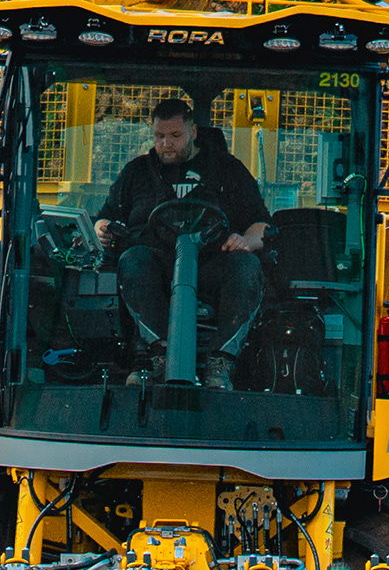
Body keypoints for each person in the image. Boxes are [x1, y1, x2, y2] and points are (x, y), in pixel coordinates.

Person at [90, 96, 270, 384]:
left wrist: (247, 240)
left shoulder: (227, 169)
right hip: (157, 268)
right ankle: (158, 355)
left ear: (193, 132)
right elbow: (104, 217)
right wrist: (102, 228)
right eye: (159, 136)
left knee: (247, 266)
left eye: (175, 136)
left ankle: (220, 362)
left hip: (213, 264)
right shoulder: (137, 172)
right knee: (132, 260)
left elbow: (262, 224)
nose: (165, 144)